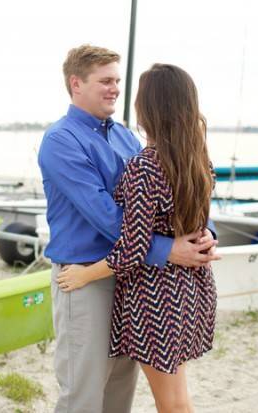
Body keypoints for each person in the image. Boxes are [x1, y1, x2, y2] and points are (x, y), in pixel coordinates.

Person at [38, 45, 219, 413]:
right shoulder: (61, 141)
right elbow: (107, 216)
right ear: (76, 83)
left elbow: (170, 187)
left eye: (118, 81)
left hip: (135, 282)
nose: (115, 89)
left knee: (119, 394)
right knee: (83, 395)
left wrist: (205, 233)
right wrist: (169, 249)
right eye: (105, 81)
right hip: (86, 278)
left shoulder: (124, 136)